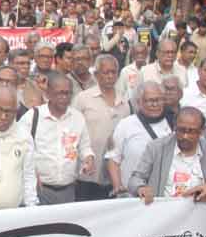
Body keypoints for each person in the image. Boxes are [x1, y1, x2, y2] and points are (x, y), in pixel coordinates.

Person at [18, 72, 94, 205]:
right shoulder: (32, 117)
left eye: (68, 93)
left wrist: (89, 159)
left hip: (68, 191)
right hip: (39, 190)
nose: (64, 97)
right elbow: (19, 148)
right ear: (48, 94)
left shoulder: (78, 118)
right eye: (59, 93)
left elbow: (85, 147)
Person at [129, 106, 206, 203]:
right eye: (181, 130)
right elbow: (135, 179)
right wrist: (140, 188)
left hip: (200, 214)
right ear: (174, 127)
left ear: (202, 131)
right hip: (163, 214)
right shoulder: (156, 148)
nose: (185, 136)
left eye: (191, 131)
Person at [73, 54, 130, 201]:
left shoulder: (124, 100)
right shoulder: (83, 99)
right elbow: (72, 132)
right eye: (106, 72)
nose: (110, 76)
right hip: (88, 173)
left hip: (114, 175)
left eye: (114, 72)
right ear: (97, 75)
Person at [106, 82, 172, 196]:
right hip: (131, 196)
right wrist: (118, 186)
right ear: (138, 102)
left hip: (162, 196)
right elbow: (113, 159)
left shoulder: (173, 123)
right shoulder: (126, 124)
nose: (155, 104)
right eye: (150, 100)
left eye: (159, 100)